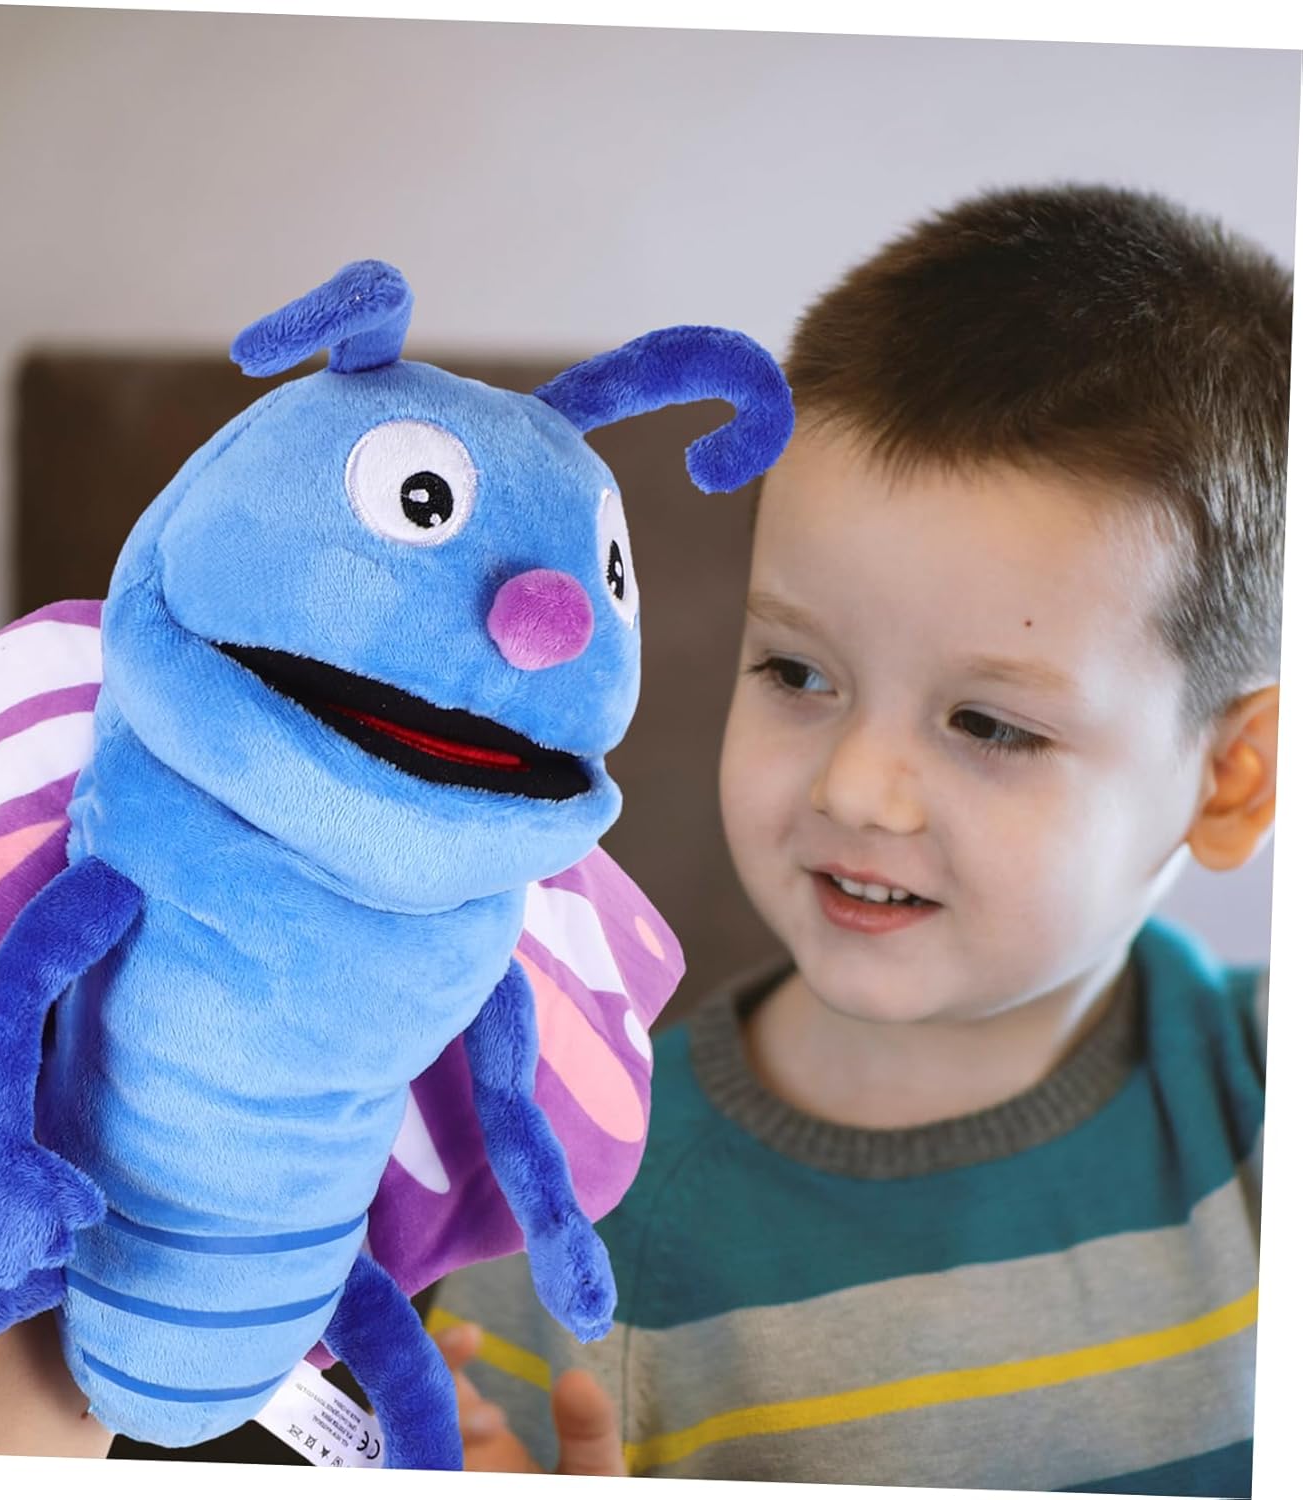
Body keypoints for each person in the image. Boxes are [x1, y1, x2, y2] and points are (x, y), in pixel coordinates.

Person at [425, 183, 1287, 1495]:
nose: (860, 790)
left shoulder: (1258, 1098)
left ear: (1230, 781)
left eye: (990, 725)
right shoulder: (570, 1204)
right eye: (798, 672)